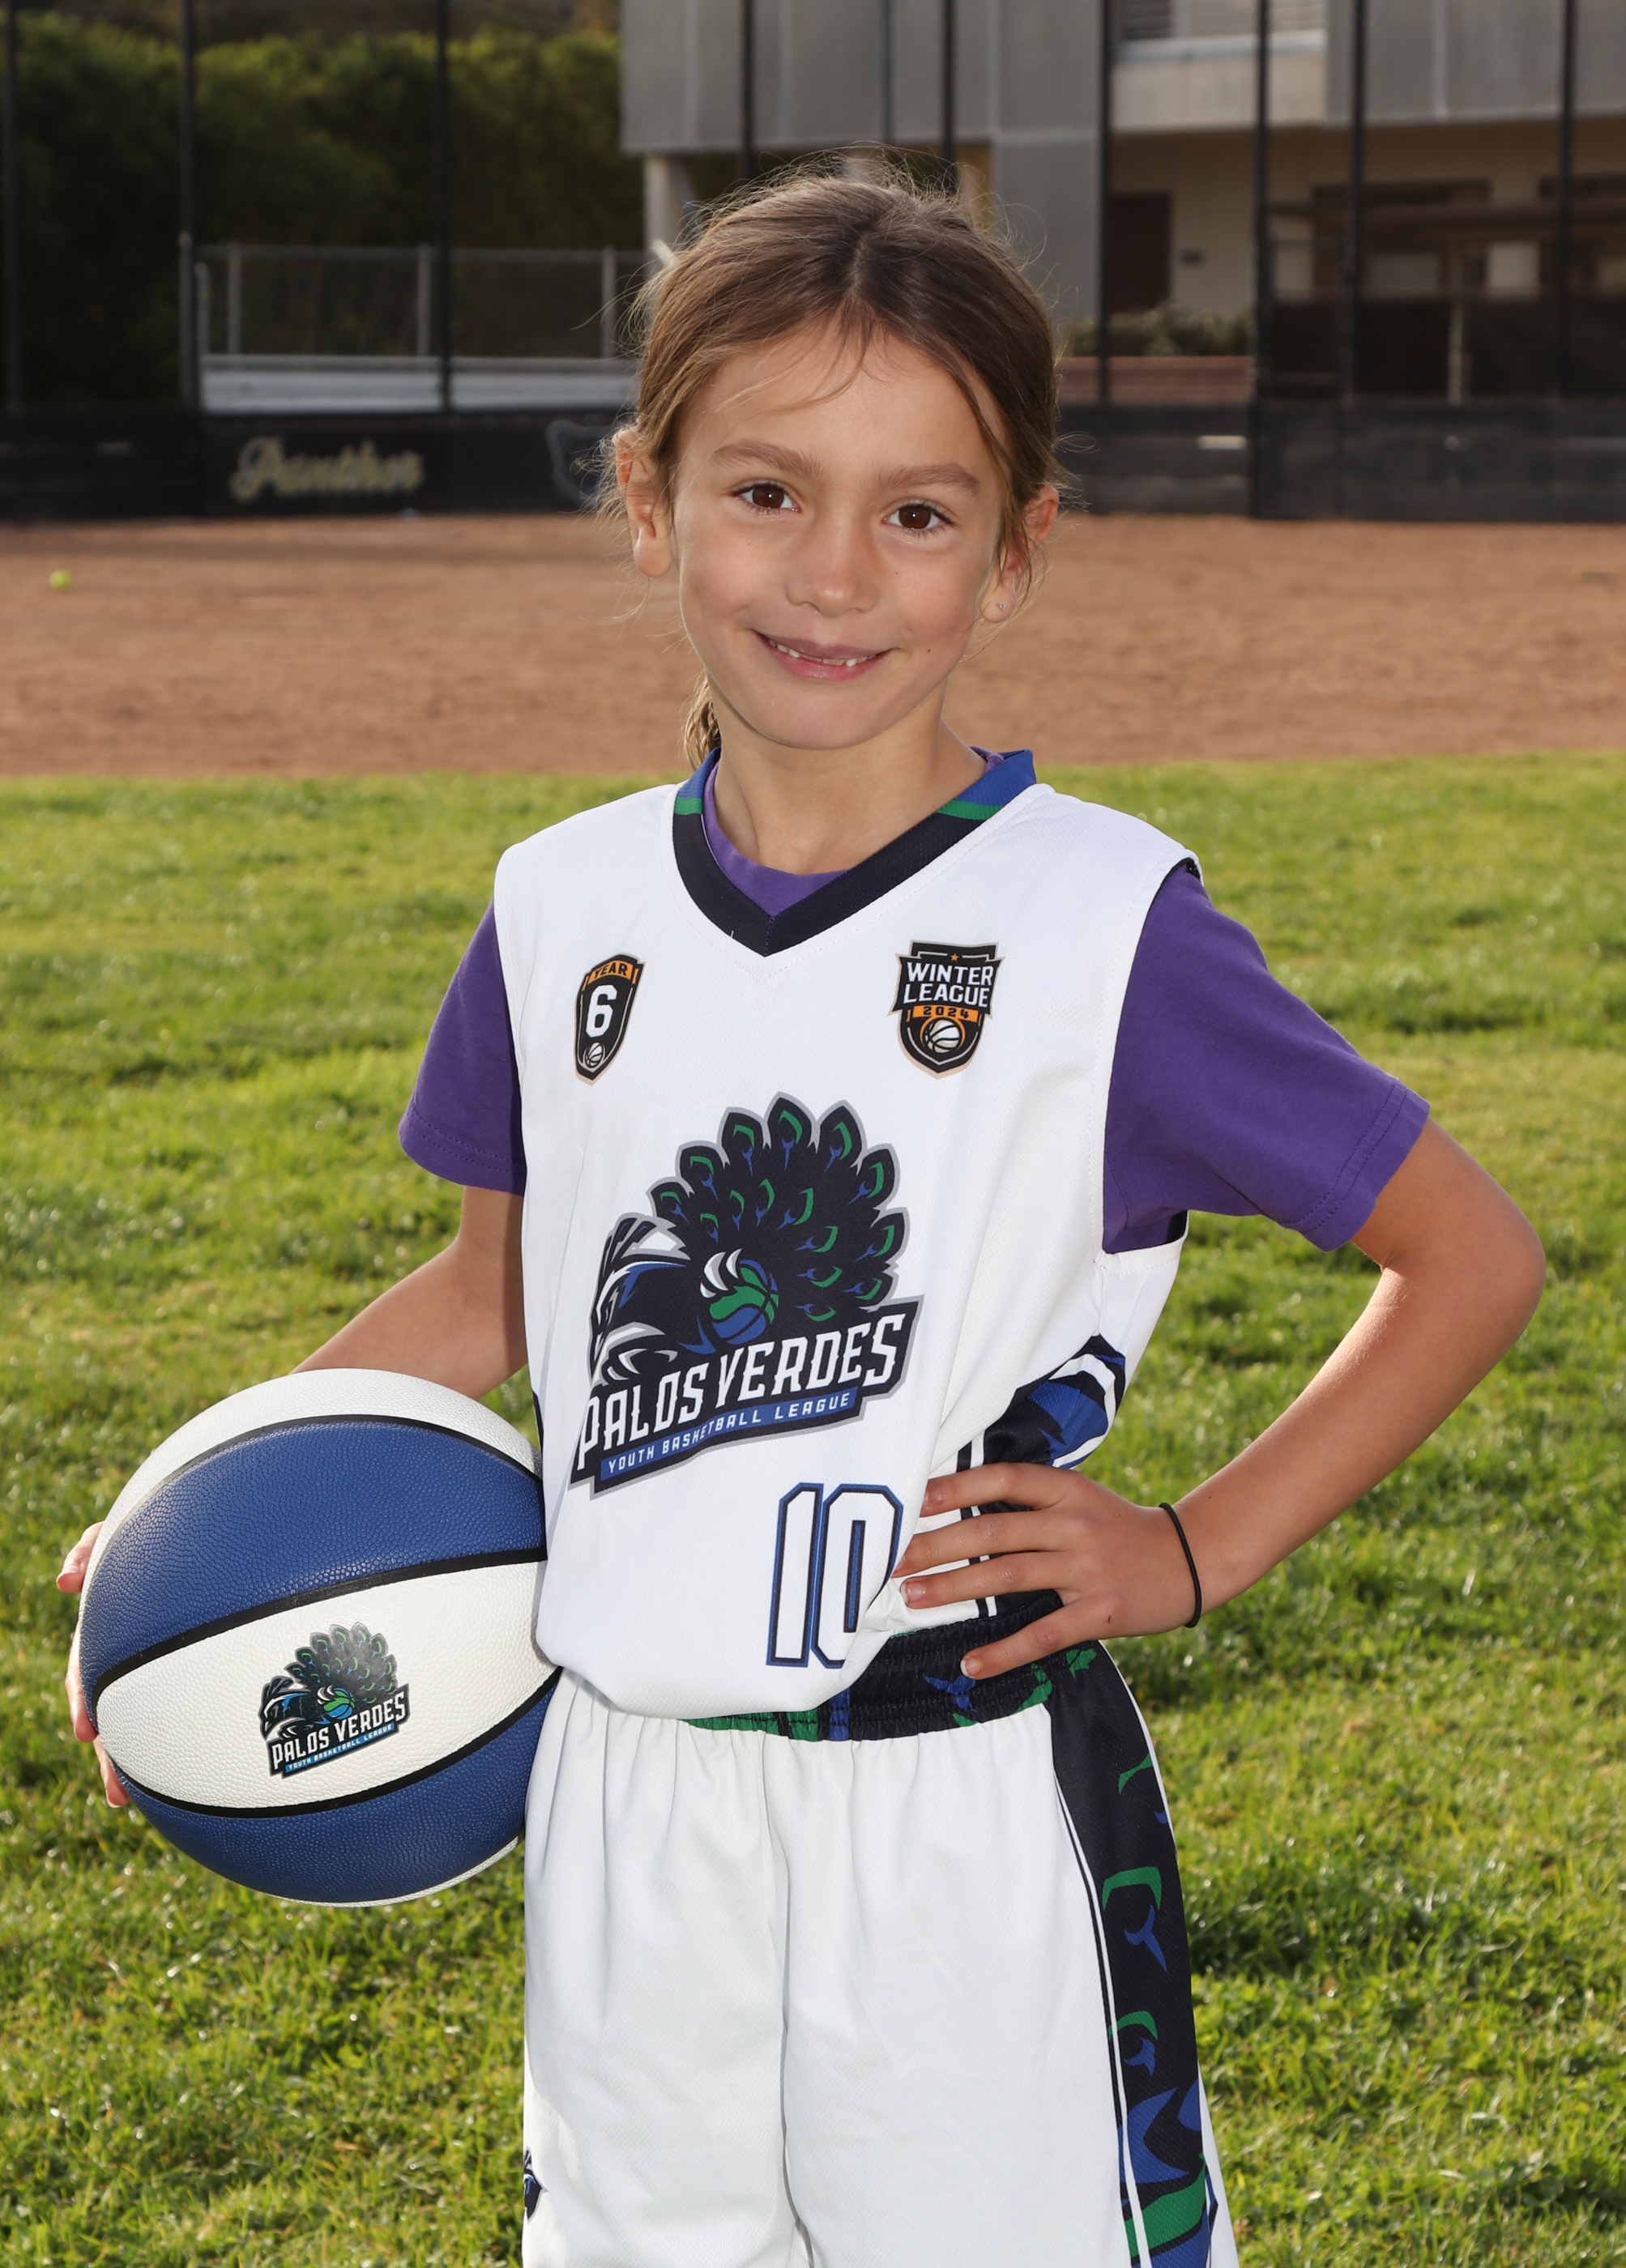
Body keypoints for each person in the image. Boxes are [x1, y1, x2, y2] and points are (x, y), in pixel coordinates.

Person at [61, 175, 1545, 2268]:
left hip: (956, 1806)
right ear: (650, 502)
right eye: (767, 492)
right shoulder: (560, 910)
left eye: (917, 513)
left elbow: (1468, 1254)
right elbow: (489, 1300)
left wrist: (1193, 1548)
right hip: (628, 1809)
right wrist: (196, 1525)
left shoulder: (1098, 926)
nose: (835, 572)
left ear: (1013, 550)